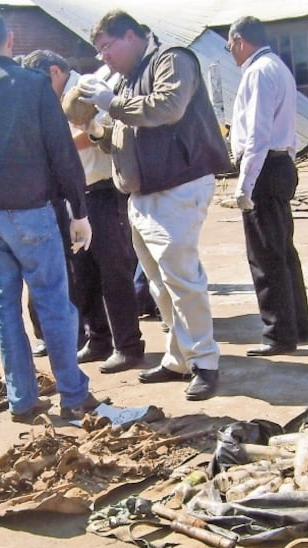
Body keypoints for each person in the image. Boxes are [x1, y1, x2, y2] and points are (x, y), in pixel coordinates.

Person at [0, 10, 99, 423]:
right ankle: (72, 395)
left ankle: (21, 400)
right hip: (33, 213)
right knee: (53, 305)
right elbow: (62, 153)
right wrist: (79, 213)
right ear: (10, 39)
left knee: (4, 308)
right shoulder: (33, 85)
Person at [80, 10, 231, 400]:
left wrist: (112, 103)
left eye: (106, 47)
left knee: (182, 281)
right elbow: (130, 130)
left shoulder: (172, 60)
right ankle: (179, 357)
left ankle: (205, 362)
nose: (103, 58)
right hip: (145, 194)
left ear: (131, 36)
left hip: (177, 186)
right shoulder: (130, 79)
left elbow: (167, 108)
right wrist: (100, 130)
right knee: (160, 284)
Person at [22, 49, 145, 374]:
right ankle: (99, 338)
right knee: (84, 274)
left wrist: (54, 149)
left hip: (102, 191)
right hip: (76, 197)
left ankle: (128, 345)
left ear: (54, 72)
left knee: (113, 272)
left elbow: (100, 132)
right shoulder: (53, 99)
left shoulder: (88, 87)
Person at [227, 16, 308, 356]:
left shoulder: (259, 71)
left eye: (229, 44)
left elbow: (258, 134)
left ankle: (279, 334)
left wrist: (245, 185)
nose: (230, 51)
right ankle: (297, 326)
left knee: (266, 256)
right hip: (279, 164)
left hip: (264, 168)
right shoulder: (277, 67)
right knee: (284, 252)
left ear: (238, 40)